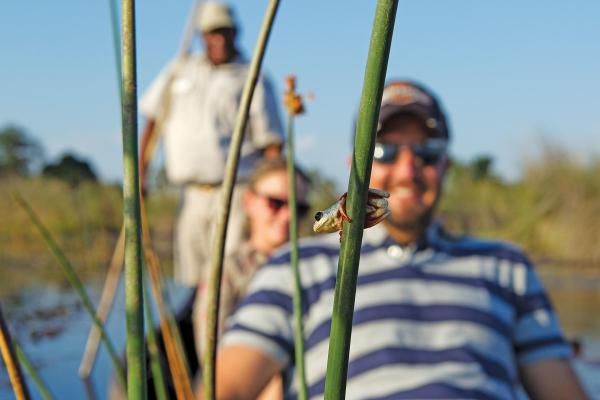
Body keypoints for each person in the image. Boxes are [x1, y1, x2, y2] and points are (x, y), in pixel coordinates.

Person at [207, 80, 588, 399]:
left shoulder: (506, 265)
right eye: (384, 151)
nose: (408, 169)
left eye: (426, 151)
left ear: (446, 166)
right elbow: (225, 389)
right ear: (354, 164)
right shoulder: (298, 264)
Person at [139, 2, 284, 287]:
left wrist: (271, 201)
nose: (218, 39)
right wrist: (141, 172)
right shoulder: (181, 69)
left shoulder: (251, 76)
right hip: (191, 194)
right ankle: (198, 326)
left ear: (235, 33)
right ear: (201, 36)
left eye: (224, 32)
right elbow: (153, 120)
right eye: (211, 33)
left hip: (234, 193)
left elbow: (272, 145)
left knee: (230, 273)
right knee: (194, 275)